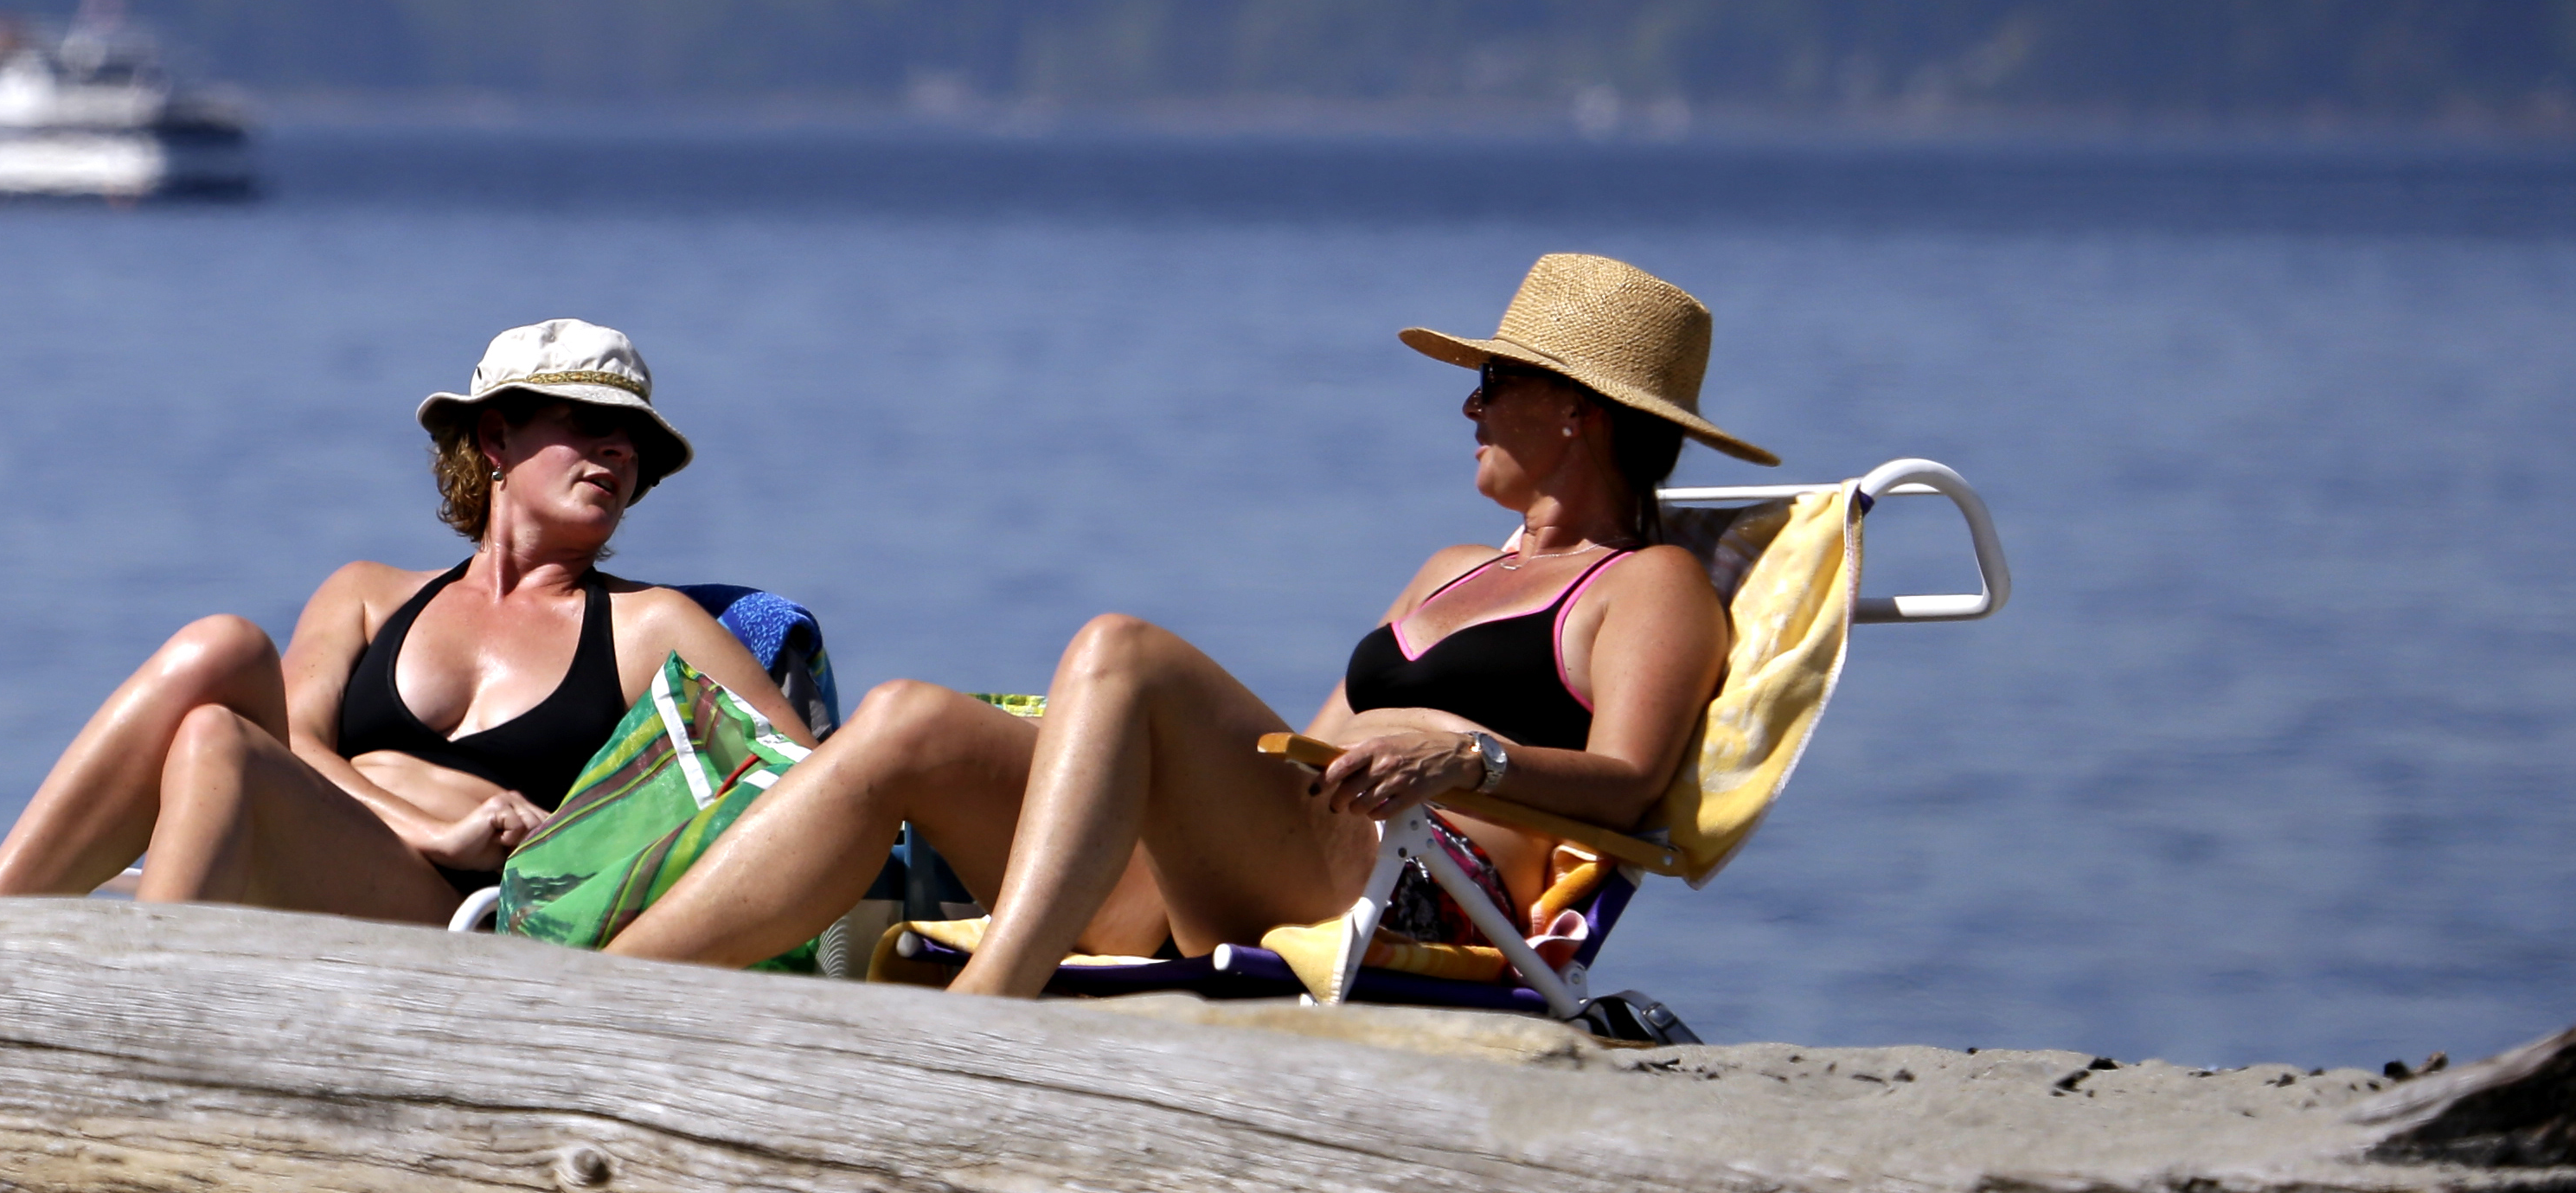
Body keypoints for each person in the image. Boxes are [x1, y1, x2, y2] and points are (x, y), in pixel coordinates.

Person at [604, 253, 1768, 989]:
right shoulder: (1452, 567)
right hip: (1282, 854)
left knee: (1123, 649)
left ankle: (983, 1016)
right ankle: (603, 989)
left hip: (1417, 883)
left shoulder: (1645, 585)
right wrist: (1164, 777)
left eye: (1494, 384)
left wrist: (1468, 756)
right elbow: (1307, 748)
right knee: (912, 718)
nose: (1468, 405)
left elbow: (1629, 789)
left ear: (1575, 414)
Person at [0, 318, 811, 920]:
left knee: (218, 742)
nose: (619, 450)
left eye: (634, 439)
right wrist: (441, 829)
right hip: (336, 855)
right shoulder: (370, 594)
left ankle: (122, 1018)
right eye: (589, 423)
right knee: (222, 653)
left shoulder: (652, 625)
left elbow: (804, 794)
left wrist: (585, 844)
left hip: (462, 917)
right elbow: (294, 738)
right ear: (494, 438)